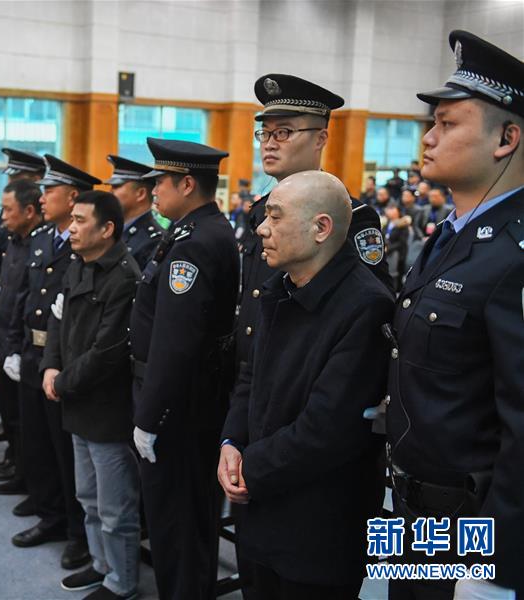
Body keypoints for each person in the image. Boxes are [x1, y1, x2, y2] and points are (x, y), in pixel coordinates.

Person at [386, 30, 524, 599]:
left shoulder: (513, 256)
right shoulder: (451, 236)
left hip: (468, 529)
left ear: (506, 139)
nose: (428, 137)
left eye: (447, 123)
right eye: (431, 123)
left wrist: (495, 567)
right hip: (410, 509)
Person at [218, 171, 393, 599]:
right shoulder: (280, 288)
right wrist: (231, 442)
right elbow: (251, 375)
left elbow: (329, 430)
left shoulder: (366, 306)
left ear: (321, 228)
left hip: (317, 528)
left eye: (275, 217)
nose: (262, 228)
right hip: (261, 505)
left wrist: (249, 468)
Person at [130, 138, 239, 599]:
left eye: (161, 181)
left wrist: (151, 417)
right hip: (184, 401)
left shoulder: (197, 243)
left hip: (179, 409)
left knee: (179, 524)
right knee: (178, 521)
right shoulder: (192, 232)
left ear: (187, 184)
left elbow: (175, 343)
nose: (154, 189)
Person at [235, 74, 391, 370]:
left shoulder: (350, 216)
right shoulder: (259, 211)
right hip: (249, 371)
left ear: (320, 138)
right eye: (264, 134)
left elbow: (371, 310)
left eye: (283, 133)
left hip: (300, 372)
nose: (269, 144)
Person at [41, 190, 142, 600]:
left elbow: (108, 353)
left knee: (116, 508)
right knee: (88, 497)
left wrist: (61, 382)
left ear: (107, 229)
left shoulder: (125, 277)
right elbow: (58, 319)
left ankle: (122, 582)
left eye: (80, 221)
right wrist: (50, 365)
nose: (72, 229)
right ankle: (101, 565)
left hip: (106, 410)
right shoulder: (77, 265)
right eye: (72, 220)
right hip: (77, 402)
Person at [5, 154, 98, 571]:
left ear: (72, 196)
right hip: (33, 352)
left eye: (50, 191)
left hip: (62, 361)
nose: (42, 198)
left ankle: (77, 532)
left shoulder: (85, 244)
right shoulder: (43, 237)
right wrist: (16, 346)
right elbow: (26, 295)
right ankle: (50, 514)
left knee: (66, 454)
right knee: (37, 443)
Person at [0, 147, 46, 490]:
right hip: (4, 334)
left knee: (26, 420)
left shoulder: (40, 242)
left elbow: (30, 300)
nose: (4, 216)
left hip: (23, 343)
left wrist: (18, 347)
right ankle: (16, 462)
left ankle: (25, 474)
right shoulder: (14, 237)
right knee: (9, 411)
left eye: (9, 209)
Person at [104, 155, 163, 270]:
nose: (110, 192)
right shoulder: (111, 230)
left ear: (140, 194)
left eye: (116, 186)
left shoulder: (153, 240)